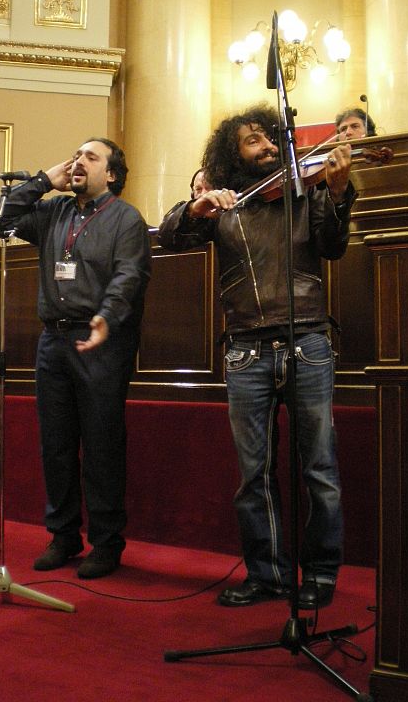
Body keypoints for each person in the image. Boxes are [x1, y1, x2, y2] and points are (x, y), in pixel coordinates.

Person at [158, 104, 356, 609]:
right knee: (254, 473)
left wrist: (336, 192)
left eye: (272, 140)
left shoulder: (306, 189)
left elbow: (332, 247)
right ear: (232, 154)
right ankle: (267, 575)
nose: (268, 147)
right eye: (254, 141)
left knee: (320, 468)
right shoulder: (224, 203)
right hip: (246, 348)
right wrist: (194, 208)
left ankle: (321, 575)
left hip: (308, 340)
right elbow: (171, 236)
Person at [0, 138, 151, 579]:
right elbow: (0, 215)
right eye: (76, 155)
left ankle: (106, 542)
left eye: (91, 157)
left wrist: (107, 317)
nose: (79, 161)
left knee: (101, 446)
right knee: (56, 445)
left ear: (112, 175)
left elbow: (129, 274)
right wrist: (43, 181)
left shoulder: (125, 218)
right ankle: (63, 536)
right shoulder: (53, 211)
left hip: (100, 342)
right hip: (53, 343)